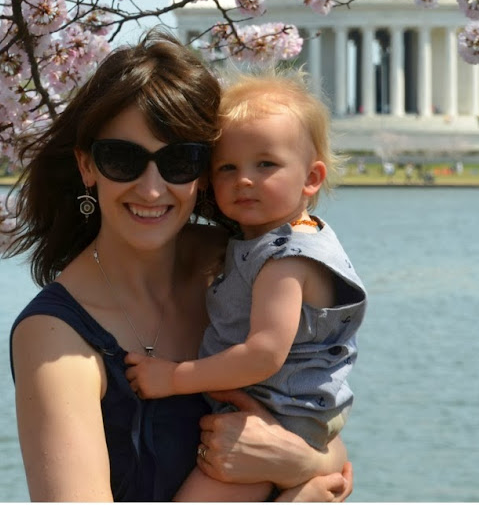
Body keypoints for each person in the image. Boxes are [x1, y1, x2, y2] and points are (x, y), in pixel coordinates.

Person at [7, 30, 353, 502]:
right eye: (123, 159)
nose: (152, 189)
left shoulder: (238, 266)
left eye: (179, 161)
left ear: (204, 171)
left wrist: (300, 464)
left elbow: (327, 432)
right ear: (87, 167)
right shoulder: (54, 339)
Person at [126, 71, 366, 501]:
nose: (244, 180)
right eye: (227, 168)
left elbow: (262, 355)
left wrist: (173, 378)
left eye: (265, 164)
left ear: (311, 178)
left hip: (281, 416)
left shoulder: (286, 260)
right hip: (287, 411)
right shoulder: (271, 240)